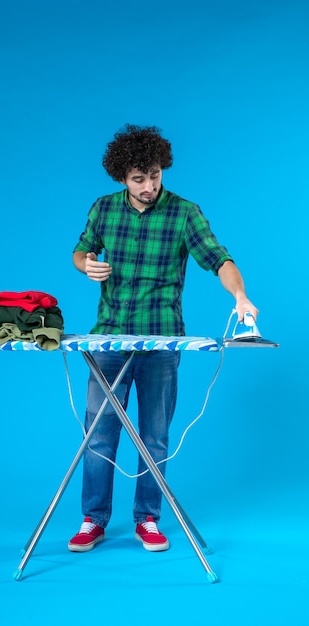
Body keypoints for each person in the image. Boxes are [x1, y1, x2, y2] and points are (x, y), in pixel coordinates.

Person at [69, 124, 258, 553]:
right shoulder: (102, 209)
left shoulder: (185, 212)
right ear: (122, 177)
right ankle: (92, 520)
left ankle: (148, 520)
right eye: (139, 178)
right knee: (98, 432)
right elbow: (81, 250)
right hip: (109, 340)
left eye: (155, 175)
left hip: (162, 342)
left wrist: (241, 294)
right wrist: (87, 265)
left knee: (154, 435)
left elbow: (218, 258)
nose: (150, 185)